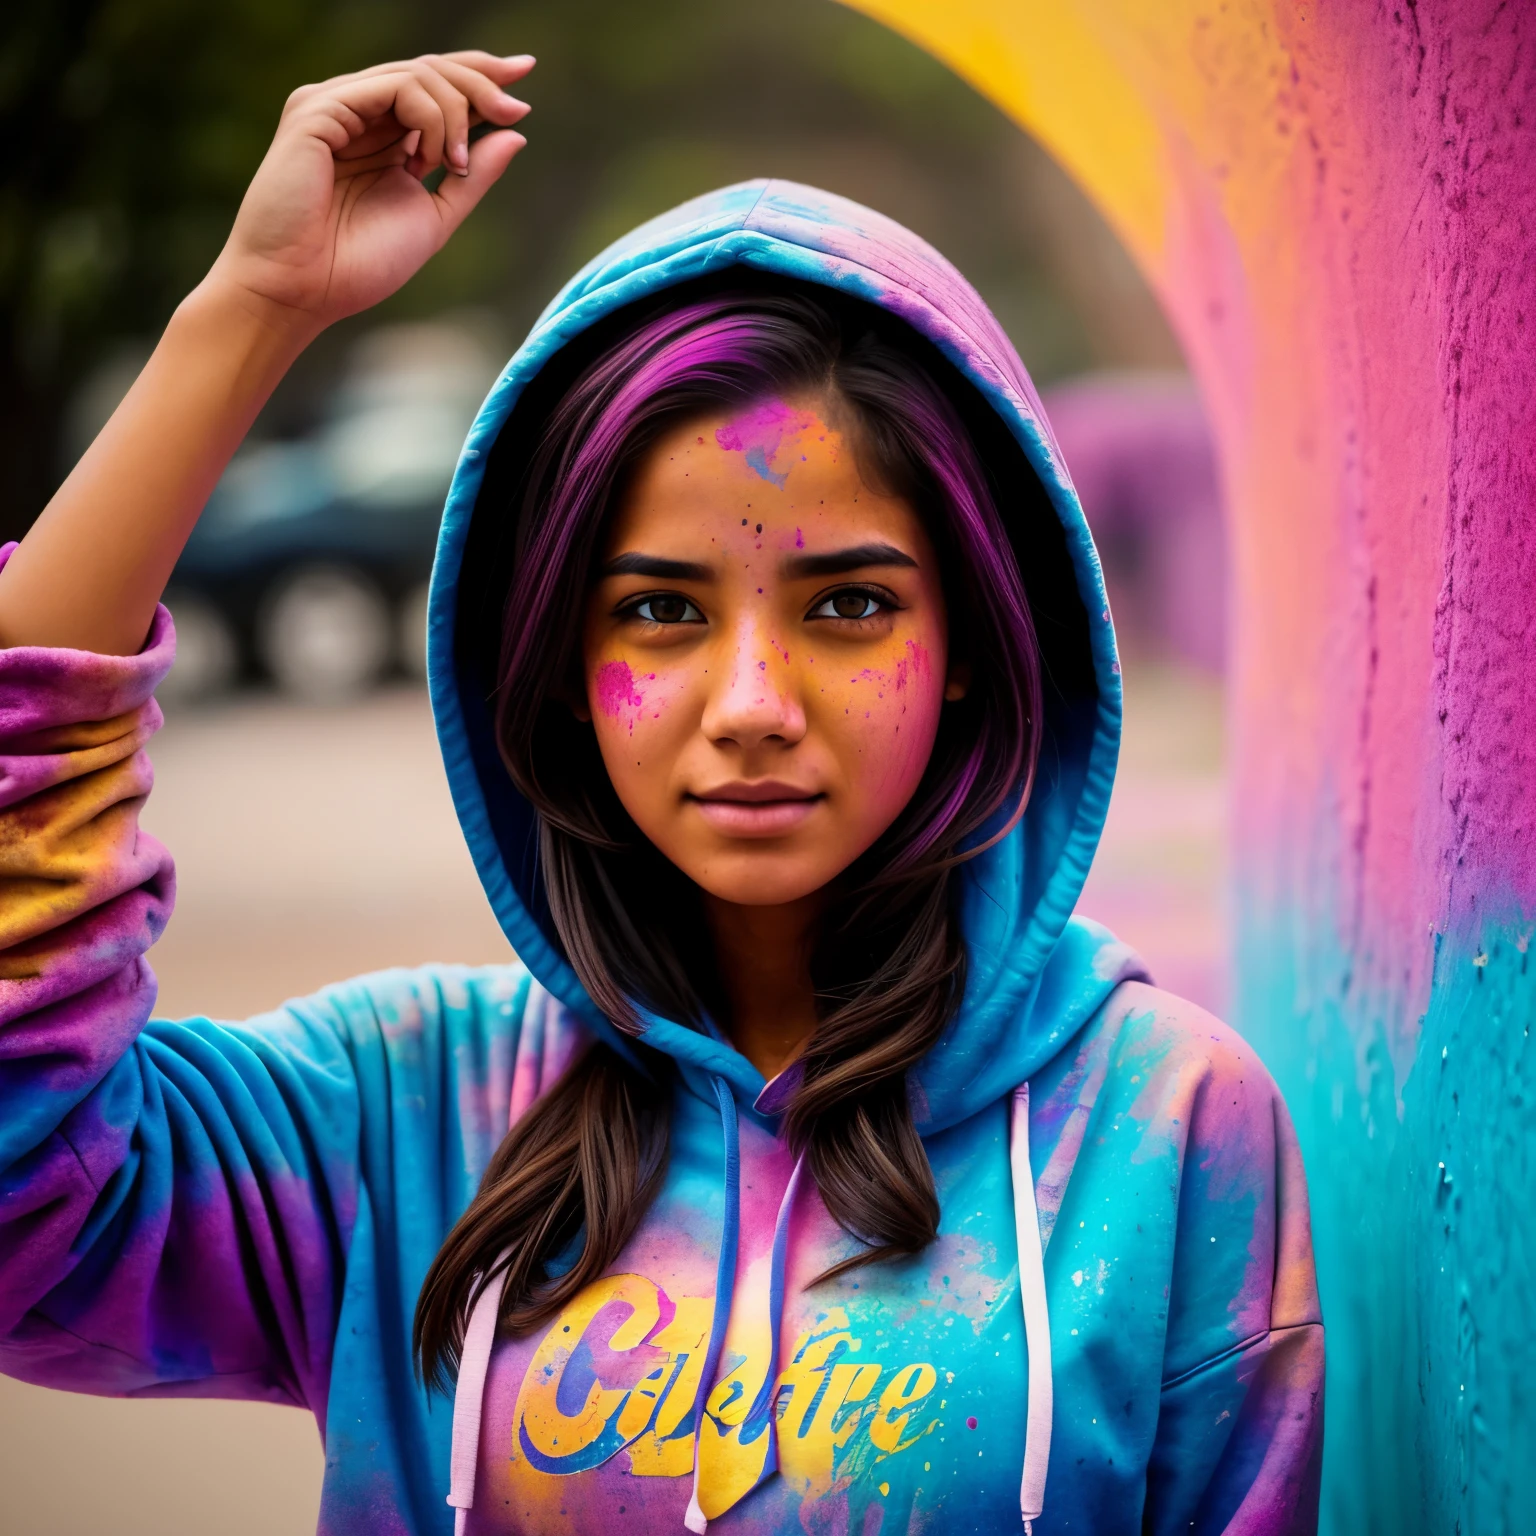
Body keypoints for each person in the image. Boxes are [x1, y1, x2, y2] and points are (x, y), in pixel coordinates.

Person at [0, 51, 1323, 1536]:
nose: (752, 709)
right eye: (661, 612)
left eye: (848, 609)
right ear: (563, 658)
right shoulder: (401, 1112)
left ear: (966, 646)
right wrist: (247, 312)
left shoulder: (1165, 1126)